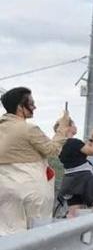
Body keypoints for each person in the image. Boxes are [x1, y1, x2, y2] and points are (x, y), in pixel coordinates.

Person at [0, 87, 72, 235]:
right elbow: (52, 150)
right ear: (20, 107)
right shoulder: (28, 129)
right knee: (37, 234)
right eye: (31, 103)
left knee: (8, 232)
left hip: (4, 188)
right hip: (31, 186)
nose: (34, 107)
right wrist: (62, 129)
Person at [56, 122, 93, 215]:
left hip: (69, 178)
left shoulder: (60, 145)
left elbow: (81, 152)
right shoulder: (74, 142)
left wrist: (91, 138)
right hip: (84, 177)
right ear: (68, 128)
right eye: (73, 124)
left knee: (73, 210)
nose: (76, 126)